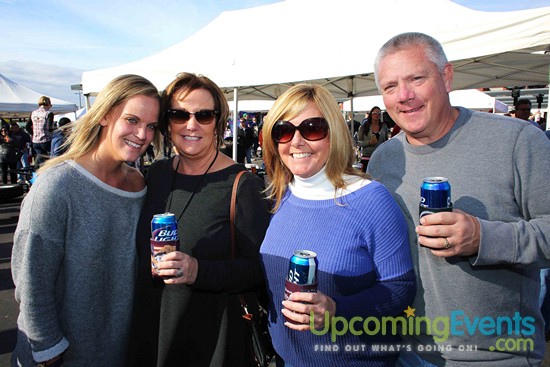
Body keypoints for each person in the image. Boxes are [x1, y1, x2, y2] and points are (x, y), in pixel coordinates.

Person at [368, 32, 550, 366]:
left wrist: (484, 238)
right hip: (409, 351)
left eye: (416, 79)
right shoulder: (383, 159)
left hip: (497, 356)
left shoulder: (518, 141)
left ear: (446, 76)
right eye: (390, 86)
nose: (404, 96)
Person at [259, 84, 416, 367]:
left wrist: (336, 310)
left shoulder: (371, 199)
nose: (296, 141)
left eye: (312, 128)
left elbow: (401, 290)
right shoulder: (281, 195)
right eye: (283, 130)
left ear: (334, 134)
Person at [11, 74, 161, 367]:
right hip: (59, 356)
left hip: (118, 349)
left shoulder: (140, 185)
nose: (142, 134)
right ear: (105, 115)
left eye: (151, 126)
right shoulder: (57, 185)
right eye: (132, 120)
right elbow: (31, 279)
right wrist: (46, 349)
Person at [126, 72, 271, 367]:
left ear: (218, 122)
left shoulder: (242, 185)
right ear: (168, 122)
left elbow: (259, 268)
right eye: (180, 114)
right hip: (151, 334)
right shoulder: (157, 174)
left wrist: (198, 270)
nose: (191, 124)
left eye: (204, 115)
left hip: (210, 342)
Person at [356, 105, 389, 172]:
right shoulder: (364, 126)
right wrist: (368, 143)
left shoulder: (383, 127)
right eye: (375, 113)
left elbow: (386, 142)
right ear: (371, 114)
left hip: (380, 157)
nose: (377, 115)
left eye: (379, 113)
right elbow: (358, 142)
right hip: (367, 157)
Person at [30, 96, 54, 167]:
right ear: (48, 104)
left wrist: (34, 134)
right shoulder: (48, 113)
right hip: (46, 140)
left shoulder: (33, 113)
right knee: (50, 161)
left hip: (35, 141)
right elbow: (49, 128)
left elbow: (28, 126)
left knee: (42, 161)